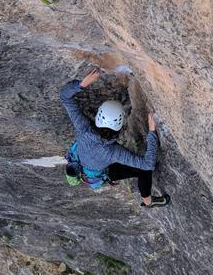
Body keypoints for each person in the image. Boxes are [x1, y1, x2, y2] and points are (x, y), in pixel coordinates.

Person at [60, 69, 170, 207]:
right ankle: (148, 201)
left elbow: (65, 97)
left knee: (137, 167)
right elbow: (148, 164)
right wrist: (152, 132)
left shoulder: (84, 130)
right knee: (143, 170)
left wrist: (81, 84)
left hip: (89, 166)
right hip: (104, 170)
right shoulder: (114, 152)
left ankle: (147, 200)